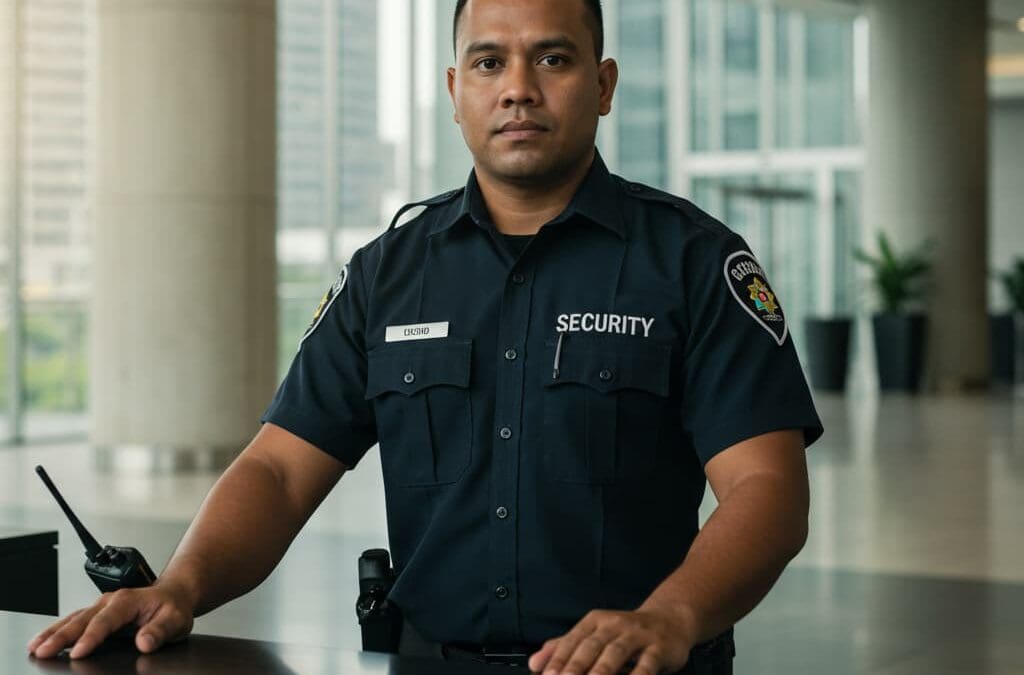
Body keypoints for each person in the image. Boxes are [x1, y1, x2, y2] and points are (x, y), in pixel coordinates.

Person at [28, 0, 822, 673]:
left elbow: (767, 491)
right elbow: (278, 466)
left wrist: (672, 616)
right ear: (453, 90)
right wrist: (182, 583)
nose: (518, 89)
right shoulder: (387, 273)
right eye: (487, 63)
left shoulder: (692, 260)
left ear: (604, 84)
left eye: (553, 58)